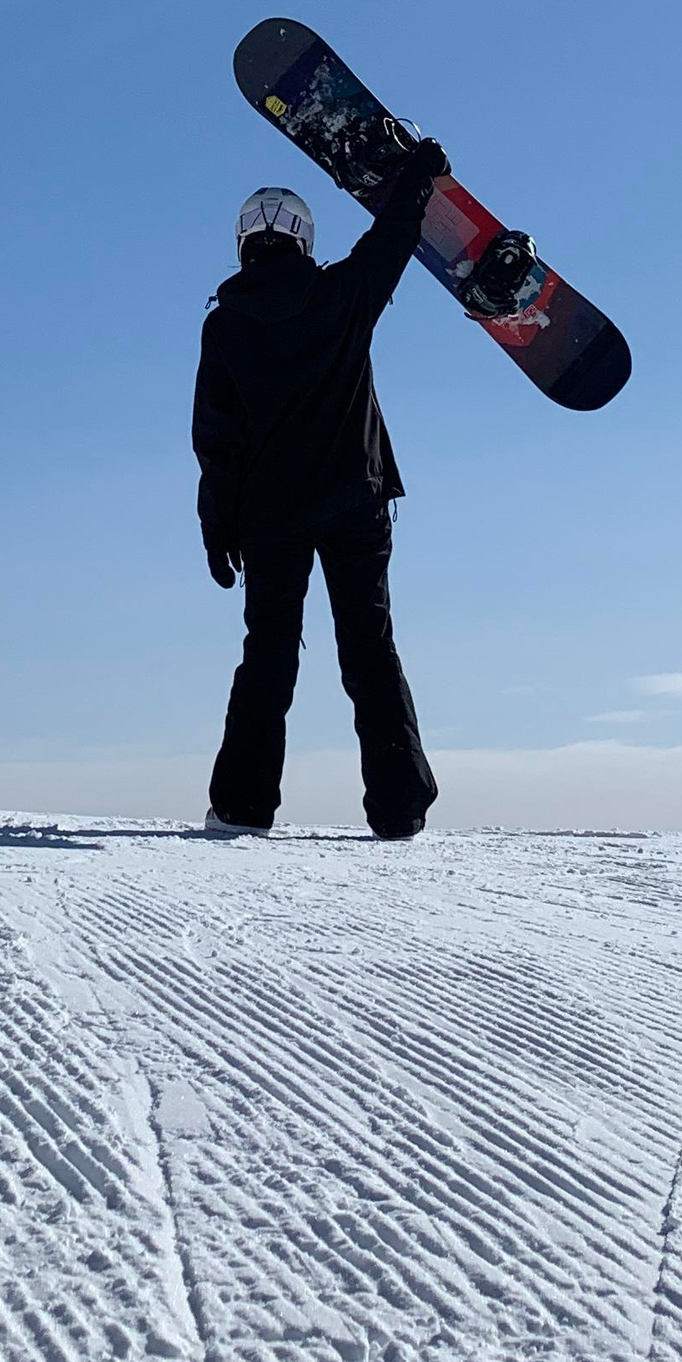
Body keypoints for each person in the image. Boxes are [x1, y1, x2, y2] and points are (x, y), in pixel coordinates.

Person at [191, 140, 450, 840]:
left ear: (245, 245)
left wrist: (218, 531)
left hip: (269, 516)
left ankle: (243, 803)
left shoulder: (225, 325)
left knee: (268, 652)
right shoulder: (341, 295)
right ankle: (397, 805)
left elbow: (217, 442)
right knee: (370, 645)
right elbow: (392, 239)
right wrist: (417, 178)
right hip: (354, 502)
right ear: (302, 240)